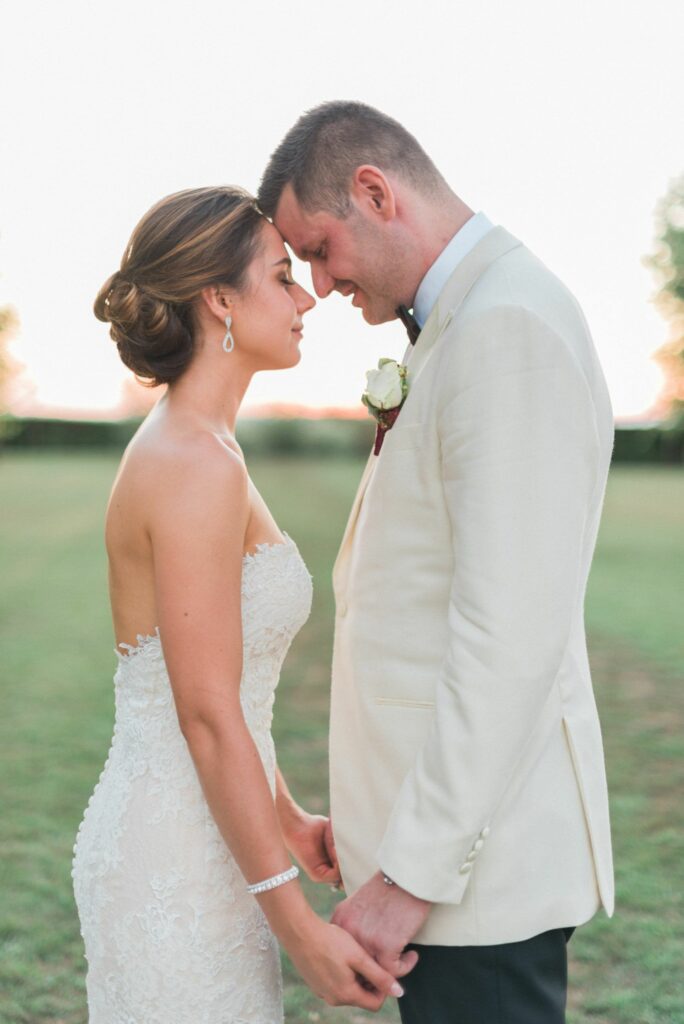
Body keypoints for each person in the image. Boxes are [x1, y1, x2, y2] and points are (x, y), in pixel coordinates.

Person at [258, 101, 615, 1024]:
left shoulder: (506, 327)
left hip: (477, 884)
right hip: (454, 867)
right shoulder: (466, 320)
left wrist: (407, 876)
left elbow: (509, 637)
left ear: (375, 193)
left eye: (320, 249)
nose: (321, 283)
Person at [71, 185, 406, 1022]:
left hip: (216, 835)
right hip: (174, 859)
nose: (306, 299)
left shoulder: (207, 447)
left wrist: (286, 817)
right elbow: (207, 715)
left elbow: (226, 689)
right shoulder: (193, 462)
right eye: (282, 277)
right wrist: (299, 928)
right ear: (219, 299)